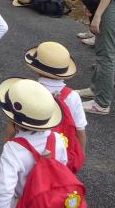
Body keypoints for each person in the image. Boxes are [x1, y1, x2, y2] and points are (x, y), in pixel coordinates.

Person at [0, 78, 68, 208]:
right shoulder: (58, 139)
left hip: (21, 205)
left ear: (14, 123)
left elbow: (5, 189)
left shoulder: (13, 149)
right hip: (49, 204)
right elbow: (62, 167)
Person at [20, 41, 87, 172]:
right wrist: (80, 156)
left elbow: (14, 126)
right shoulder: (72, 96)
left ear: (38, 70)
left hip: (28, 151)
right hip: (60, 155)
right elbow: (80, 130)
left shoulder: (28, 91)